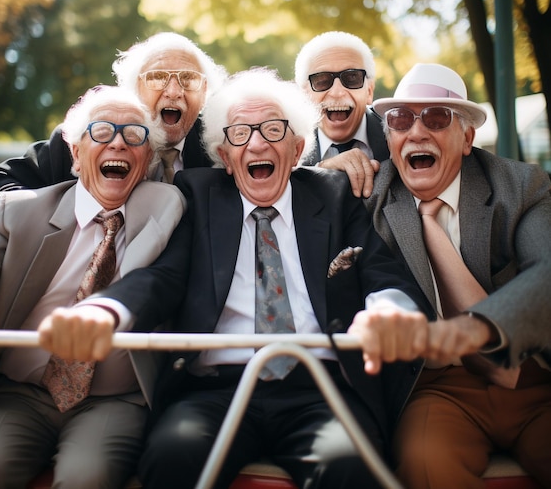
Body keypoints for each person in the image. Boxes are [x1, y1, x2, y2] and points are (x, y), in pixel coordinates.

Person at [38, 68, 435, 489]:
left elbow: (381, 270)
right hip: (215, 390)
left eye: (272, 130)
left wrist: (389, 311)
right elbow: (163, 277)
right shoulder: (199, 195)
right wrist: (106, 310)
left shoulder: (334, 196)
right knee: (172, 457)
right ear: (225, 157)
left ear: (298, 148)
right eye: (241, 133)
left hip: (321, 388)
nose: (258, 143)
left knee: (350, 468)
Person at [0, 86, 186, 489]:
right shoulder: (21, 210)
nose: (118, 141)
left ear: (147, 157)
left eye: (134, 135)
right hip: (18, 393)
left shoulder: (167, 206)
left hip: (113, 399)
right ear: (77, 155)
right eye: (101, 132)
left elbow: (161, 282)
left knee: (88, 478)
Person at [364, 63, 551, 488]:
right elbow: (310, 192)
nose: (416, 132)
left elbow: (548, 273)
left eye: (435, 117)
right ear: (389, 136)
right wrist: (335, 167)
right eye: (400, 119)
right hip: (440, 387)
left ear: (467, 138)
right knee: (425, 464)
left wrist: (478, 330)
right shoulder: (370, 196)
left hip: (533, 378)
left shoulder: (522, 187)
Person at [0, 32, 227, 215]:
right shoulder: (84, 140)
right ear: (134, 89)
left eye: (189, 79)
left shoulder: (219, 148)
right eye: (158, 77)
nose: (173, 91)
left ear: (204, 92)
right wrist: (70, 212)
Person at [294, 31, 388, 198]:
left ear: (369, 91)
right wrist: (321, 171)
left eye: (352, 78)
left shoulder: (399, 136)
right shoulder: (285, 146)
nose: (337, 92)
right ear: (303, 96)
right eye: (321, 80)